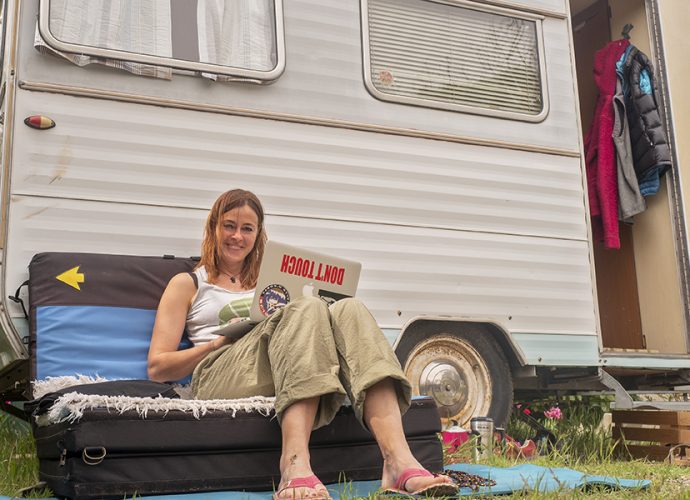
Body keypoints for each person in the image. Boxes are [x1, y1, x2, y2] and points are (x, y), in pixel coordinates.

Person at [148, 189, 457, 499]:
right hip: (219, 373)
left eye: (247, 228)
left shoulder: (270, 282)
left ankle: (398, 461)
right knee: (305, 308)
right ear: (213, 227)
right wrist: (215, 344)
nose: (237, 236)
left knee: (350, 308)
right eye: (229, 225)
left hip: (278, 364)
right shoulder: (189, 283)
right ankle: (293, 465)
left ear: (258, 234)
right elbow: (158, 367)